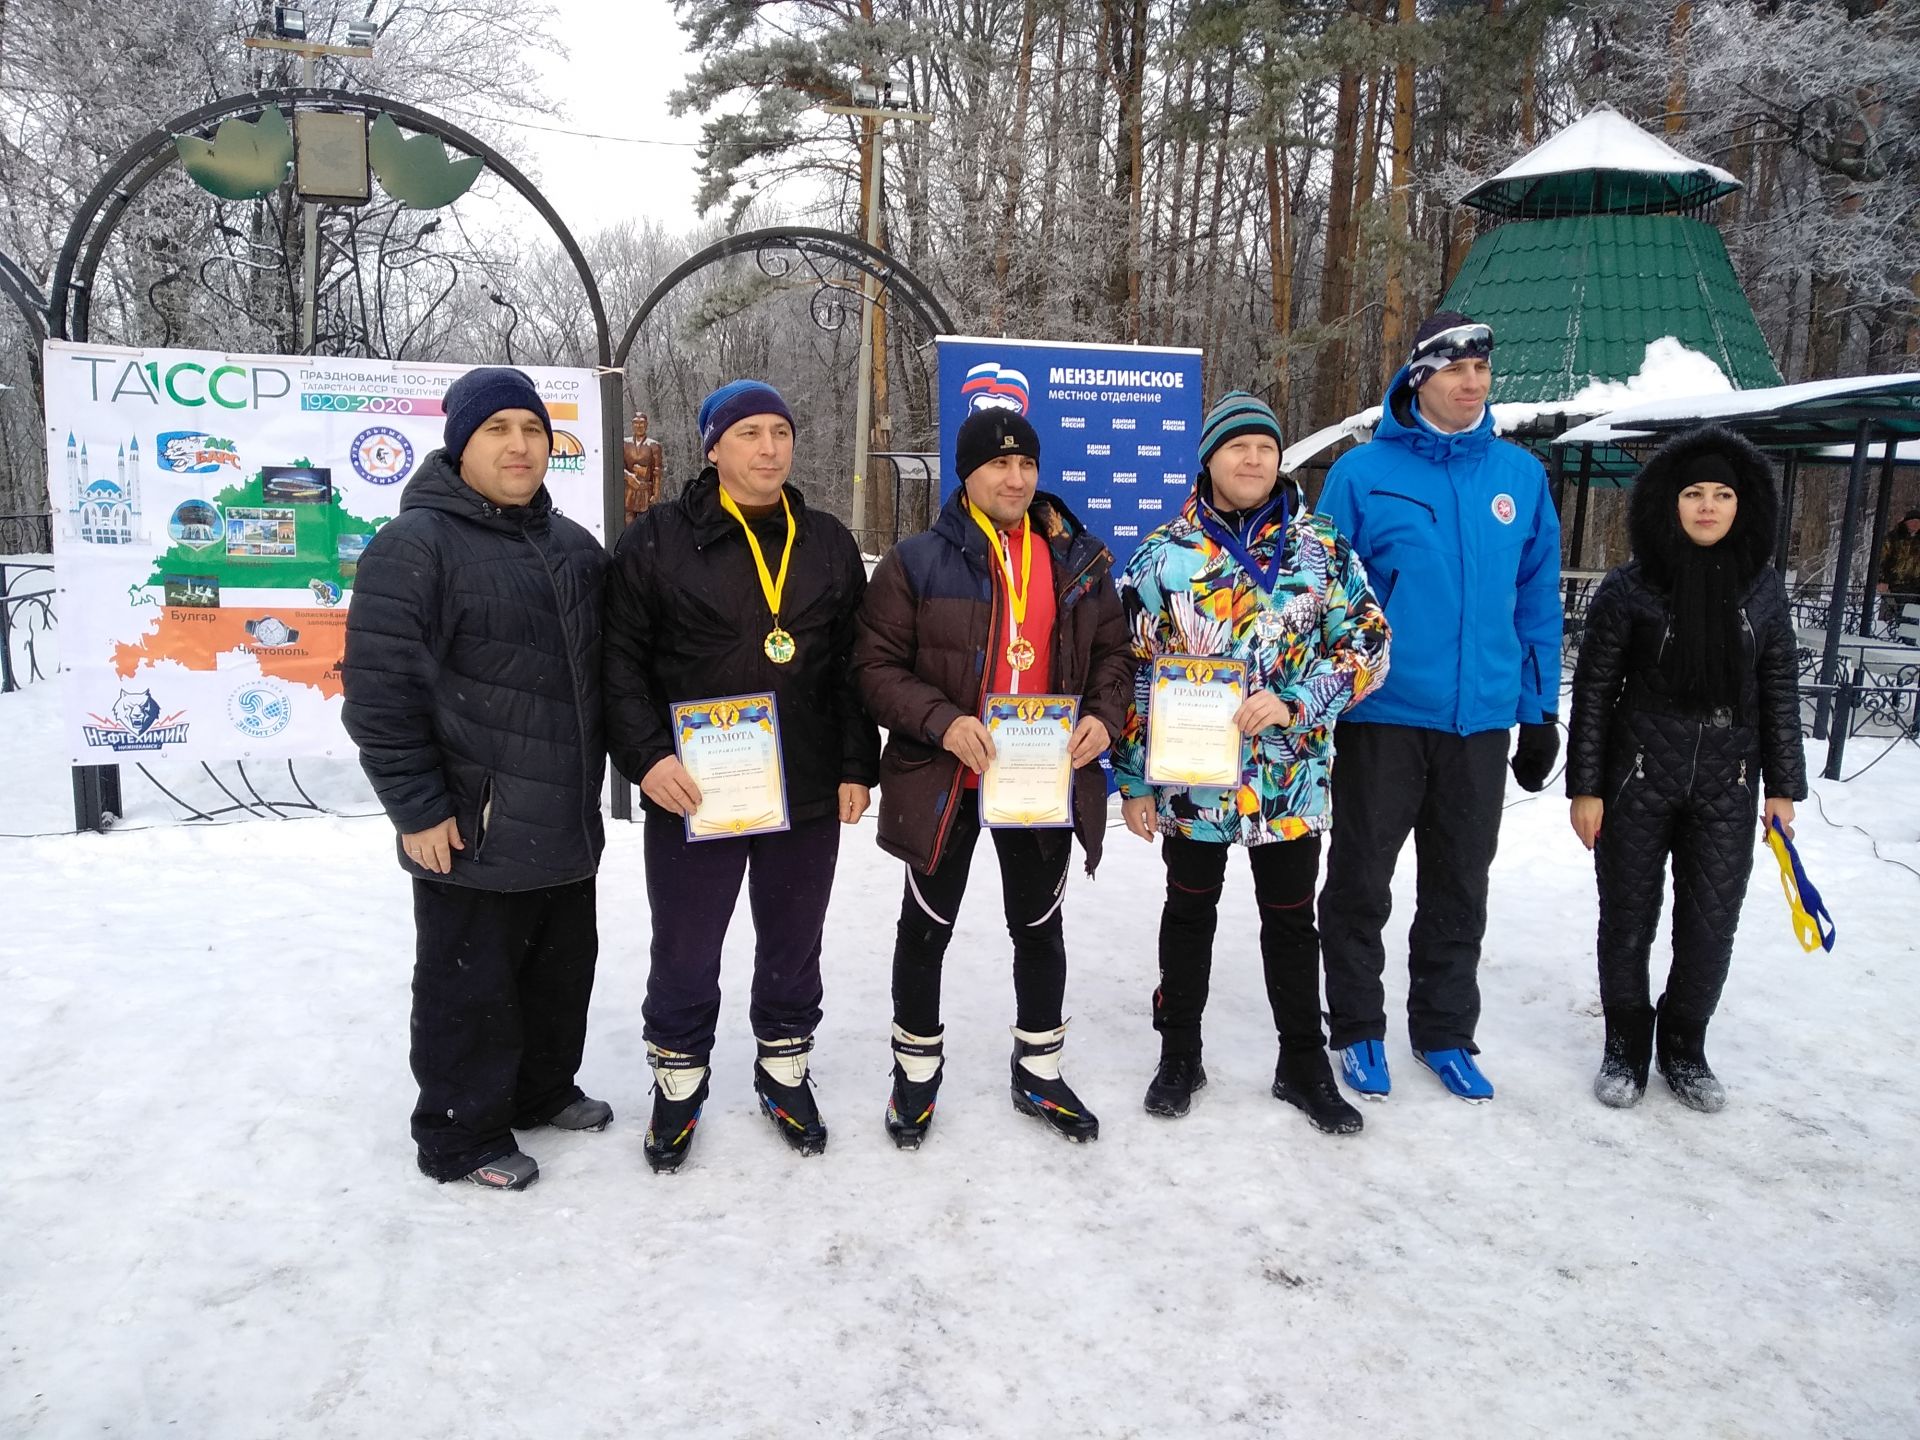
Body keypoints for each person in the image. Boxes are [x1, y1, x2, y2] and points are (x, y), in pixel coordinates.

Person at [341, 366, 612, 1192]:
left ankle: (540, 1089)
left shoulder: (571, 545)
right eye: (497, 430)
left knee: (559, 971)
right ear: (461, 443)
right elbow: (378, 694)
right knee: (471, 987)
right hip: (471, 824)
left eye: (531, 431)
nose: (520, 446)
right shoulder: (416, 546)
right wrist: (417, 807)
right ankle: (460, 1134)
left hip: (564, 818)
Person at [603, 380, 878, 1172]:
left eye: (780, 433)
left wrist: (858, 762)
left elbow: (852, 664)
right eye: (749, 433)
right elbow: (619, 663)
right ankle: (679, 1080)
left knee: (795, 939)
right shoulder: (657, 540)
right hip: (697, 789)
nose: (768, 448)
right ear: (713, 447)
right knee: (687, 944)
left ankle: (785, 1069)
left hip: (808, 785)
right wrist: (648, 758)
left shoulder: (824, 539)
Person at [854, 408, 1135, 1148]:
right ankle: (915, 1073)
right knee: (926, 929)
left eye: (1027, 465)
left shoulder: (1078, 558)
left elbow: (1115, 656)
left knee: (1039, 928)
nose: (1015, 478)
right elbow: (873, 669)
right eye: (998, 466)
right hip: (948, 778)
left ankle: (1038, 1069)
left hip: (1041, 779)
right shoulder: (916, 562)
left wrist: (1105, 719)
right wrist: (942, 720)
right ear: (967, 474)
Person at [1113, 391, 1391, 1135]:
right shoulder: (1161, 556)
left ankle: (1301, 1062)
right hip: (1194, 784)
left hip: (1289, 778)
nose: (1253, 459)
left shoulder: (1322, 548)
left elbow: (1369, 644)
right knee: (1188, 914)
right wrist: (1133, 776)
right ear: (1209, 459)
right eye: (1237, 447)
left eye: (1265, 447)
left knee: (1293, 923)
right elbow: (1133, 670)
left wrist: (1298, 700)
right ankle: (1180, 1053)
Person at [1314, 312, 1563, 1103]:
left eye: (1483, 371)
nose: (1472, 383)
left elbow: (1536, 602)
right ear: (1419, 377)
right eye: (1456, 370)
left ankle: (1446, 1031)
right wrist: (1322, 702)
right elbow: (1322, 599)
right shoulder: (1361, 474)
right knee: (1361, 881)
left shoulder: (1519, 477)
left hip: (1479, 721)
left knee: (1461, 883)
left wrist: (1536, 710)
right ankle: (1355, 1026)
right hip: (1383, 717)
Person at [1566, 426, 1806, 1111]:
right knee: (1628, 919)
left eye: (1721, 494)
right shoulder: (1630, 589)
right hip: (1637, 778)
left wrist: (1784, 787)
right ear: (1669, 503)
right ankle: (1624, 1046)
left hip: (1729, 785)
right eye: (1693, 493)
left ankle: (1685, 1046)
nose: (1707, 506)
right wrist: (1585, 787)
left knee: (1710, 923)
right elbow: (1594, 692)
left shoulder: (1762, 591)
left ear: (1742, 505)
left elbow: (1780, 686)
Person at [1876, 509, 1920, 636]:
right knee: (1905, 612)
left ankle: (1909, 638)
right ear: (1906, 523)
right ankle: (1906, 639)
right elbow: (1882, 559)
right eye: (1912, 522)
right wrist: (1881, 579)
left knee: (1911, 613)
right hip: (1898, 583)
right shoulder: (1894, 538)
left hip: (1917, 584)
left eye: (1917, 522)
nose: (1915, 525)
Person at [623, 411, 664, 526]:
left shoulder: (653, 445)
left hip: (645, 491)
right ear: (632, 425)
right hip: (628, 492)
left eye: (641, 423)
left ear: (646, 425)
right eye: (636, 423)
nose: (639, 426)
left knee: (644, 524)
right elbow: (618, 466)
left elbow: (657, 471)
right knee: (628, 523)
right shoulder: (625, 444)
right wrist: (628, 476)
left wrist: (656, 493)